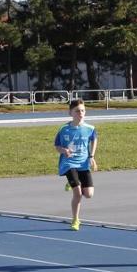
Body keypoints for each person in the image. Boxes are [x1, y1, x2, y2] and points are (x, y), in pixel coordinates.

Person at [54, 98, 97, 231]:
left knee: (89, 194)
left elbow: (94, 139)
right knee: (77, 193)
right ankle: (75, 220)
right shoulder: (64, 129)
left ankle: (72, 181)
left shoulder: (90, 128)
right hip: (69, 164)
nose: (81, 113)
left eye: (83, 111)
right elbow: (57, 146)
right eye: (77, 111)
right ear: (70, 113)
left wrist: (91, 156)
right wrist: (64, 150)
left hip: (83, 164)